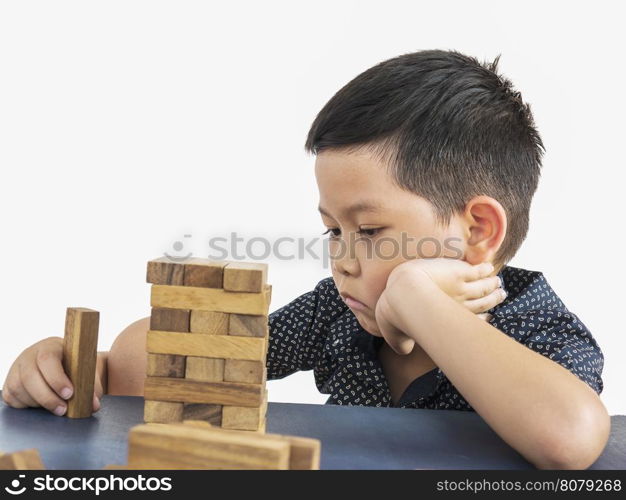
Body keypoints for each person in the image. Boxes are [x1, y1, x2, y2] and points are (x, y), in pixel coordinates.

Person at [2, 49, 609, 469]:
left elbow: (571, 440)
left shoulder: (533, 324)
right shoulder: (338, 313)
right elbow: (174, 363)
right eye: (331, 232)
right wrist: (80, 370)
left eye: (369, 230)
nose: (341, 260)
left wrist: (420, 302)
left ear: (477, 229)